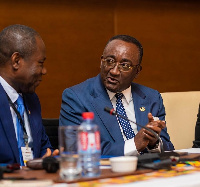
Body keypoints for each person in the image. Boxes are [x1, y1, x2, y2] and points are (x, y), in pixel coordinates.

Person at [60, 35, 174, 156]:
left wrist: (153, 143)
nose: (114, 71)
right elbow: (74, 149)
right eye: (110, 61)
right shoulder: (76, 97)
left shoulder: (151, 97)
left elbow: (168, 148)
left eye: (125, 65)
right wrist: (134, 145)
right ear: (101, 62)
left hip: (148, 171)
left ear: (137, 71)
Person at [0, 24, 58, 165]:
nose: (44, 71)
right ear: (16, 61)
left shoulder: (31, 99)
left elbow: (45, 148)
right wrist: (21, 172)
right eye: (40, 63)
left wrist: (48, 160)